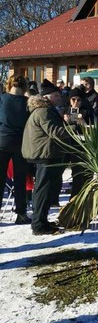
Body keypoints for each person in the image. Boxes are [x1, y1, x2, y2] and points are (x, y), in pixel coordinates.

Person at [21, 81, 70, 236]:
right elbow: (54, 131)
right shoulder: (44, 111)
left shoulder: (45, 109)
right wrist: (72, 127)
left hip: (46, 153)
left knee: (45, 189)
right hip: (45, 155)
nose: (59, 98)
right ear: (47, 97)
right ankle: (38, 224)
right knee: (43, 190)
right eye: (56, 95)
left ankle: (41, 221)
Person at [0, 75, 31, 225]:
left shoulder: (2, 99)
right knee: (20, 180)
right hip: (20, 143)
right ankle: (21, 214)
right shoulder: (27, 103)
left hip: (2, 141)